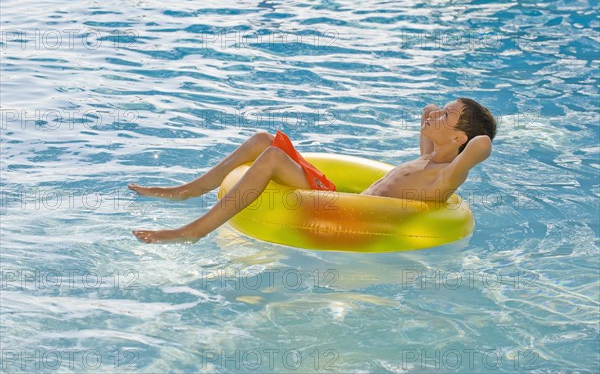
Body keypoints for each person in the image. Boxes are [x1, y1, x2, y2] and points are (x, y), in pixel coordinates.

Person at [129, 98, 496, 243]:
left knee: (271, 159)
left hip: (345, 216)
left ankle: (193, 231)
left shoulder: (446, 174)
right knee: (262, 140)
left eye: (446, 116)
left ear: (460, 137)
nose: (434, 116)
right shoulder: (429, 158)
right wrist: (439, 114)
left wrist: (465, 133)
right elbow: (427, 118)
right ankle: (186, 191)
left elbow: (481, 145)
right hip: (337, 197)